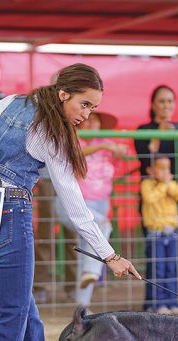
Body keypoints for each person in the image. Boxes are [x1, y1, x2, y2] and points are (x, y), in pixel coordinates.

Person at [0, 63, 141, 341]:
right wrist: (110, 255)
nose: (87, 114)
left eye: (93, 107)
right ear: (63, 94)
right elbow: (76, 207)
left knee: (23, 309)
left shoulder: (9, 103)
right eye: (84, 104)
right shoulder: (53, 134)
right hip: (10, 213)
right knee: (13, 314)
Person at [55, 111, 127, 307]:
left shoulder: (106, 143)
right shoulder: (74, 138)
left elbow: (119, 161)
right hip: (77, 203)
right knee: (102, 226)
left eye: (96, 119)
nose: (91, 122)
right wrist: (104, 145)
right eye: (88, 118)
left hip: (100, 202)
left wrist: (118, 151)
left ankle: (82, 308)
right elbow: (74, 154)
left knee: (87, 252)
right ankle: (92, 273)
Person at [133, 85, 178, 311]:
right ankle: (154, 303)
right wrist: (157, 136)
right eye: (162, 101)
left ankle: (176, 301)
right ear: (153, 105)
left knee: (177, 254)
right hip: (153, 200)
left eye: (170, 101)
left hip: (176, 196)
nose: (166, 106)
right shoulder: (143, 129)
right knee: (155, 256)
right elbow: (145, 161)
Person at [141, 156, 178, 314]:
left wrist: (169, 185)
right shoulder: (147, 184)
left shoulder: (171, 185)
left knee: (173, 268)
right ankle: (158, 304)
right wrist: (164, 185)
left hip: (172, 233)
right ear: (150, 170)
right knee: (158, 269)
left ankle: (174, 302)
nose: (165, 172)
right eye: (161, 168)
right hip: (156, 234)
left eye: (167, 169)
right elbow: (150, 199)